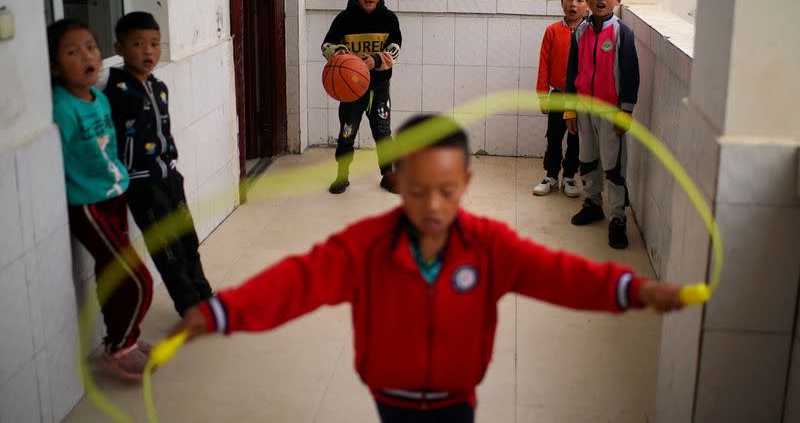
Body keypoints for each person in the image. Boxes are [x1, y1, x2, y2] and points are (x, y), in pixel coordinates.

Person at [172, 114, 683, 423]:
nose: (432, 206)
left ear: (466, 181)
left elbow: (557, 273)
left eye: (446, 191)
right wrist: (220, 312)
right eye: (416, 191)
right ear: (398, 183)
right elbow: (298, 281)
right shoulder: (365, 247)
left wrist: (632, 290)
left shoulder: (488, 246)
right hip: (389, 395)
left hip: (456, 398)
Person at [48, 19, 153, 380]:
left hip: (114, 194)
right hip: (88, 204)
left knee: (111, 274)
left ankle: (123, 339)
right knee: (139, 280)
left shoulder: (99, 100)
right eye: (72, 52)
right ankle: (120, 346)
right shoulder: (62, 108)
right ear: (55, 67)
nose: (86, 56)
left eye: (91, 47)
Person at [104, 12, 213, 316]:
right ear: (119, 49)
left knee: (188, 239)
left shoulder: (158, 86)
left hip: (169, 175)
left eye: (154, 43)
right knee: (168, 249)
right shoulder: (113, 90)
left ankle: (204, 295)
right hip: (141, 183)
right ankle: (190, 308)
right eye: (138, 44)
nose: (148, 51)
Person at [564, 0, 640, 249]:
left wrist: (626, 111)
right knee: (588, 159)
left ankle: (618, 218)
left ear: (618, 0)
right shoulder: (581, 31)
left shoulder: (623, 33)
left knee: (613, 166)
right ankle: (593, 203)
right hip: (584, 110)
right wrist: (570, 110)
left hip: (611, 113)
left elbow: (631, 75)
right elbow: (572, 72)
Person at [321, 0, 402, 195]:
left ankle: (388, 174)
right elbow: (326, 45)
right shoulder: (344, 19)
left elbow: (396, 48)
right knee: (347, 133)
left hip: (379, 87)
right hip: (351, 91)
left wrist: (376, 60)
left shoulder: (389, 19)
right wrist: (340, 54)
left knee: (383, 132)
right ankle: (342, 174)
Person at [533, 0, 589, 198]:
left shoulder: (590, 34)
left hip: (579, 98)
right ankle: (551, 176)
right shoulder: (552, 31)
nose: (573, 4)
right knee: (554, 137)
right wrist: (542, 96)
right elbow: (544, 64)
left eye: (579, 0)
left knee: (575, 138)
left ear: (587, 5)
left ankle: (569, 177)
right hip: (557, 94)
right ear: (562, 2)